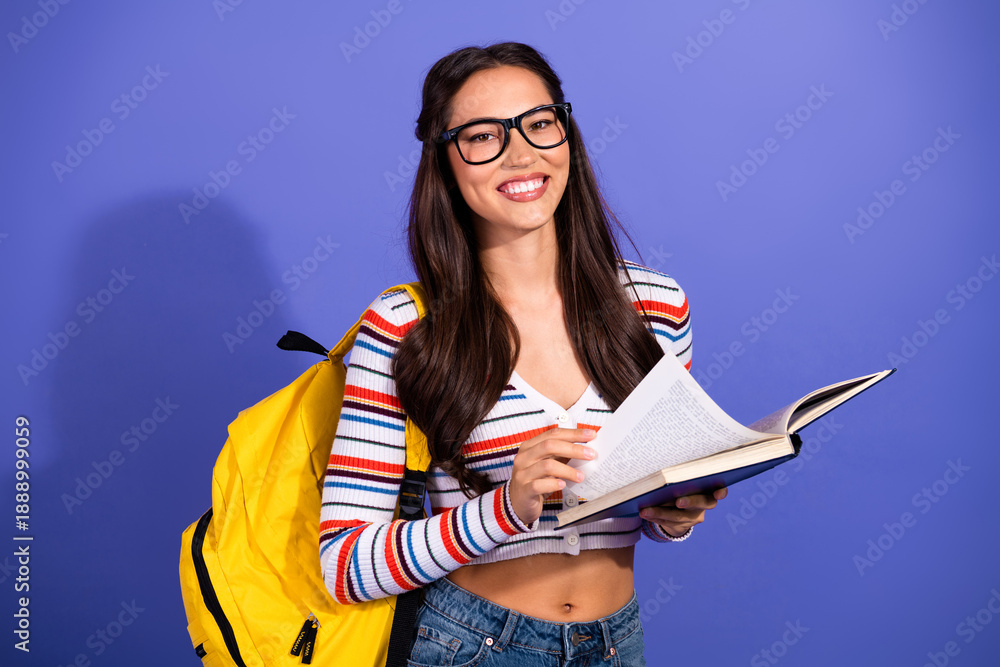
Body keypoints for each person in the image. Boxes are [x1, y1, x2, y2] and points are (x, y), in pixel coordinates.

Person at [319, 42, 727, 666]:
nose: (522, 152)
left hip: (618, 644)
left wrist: (676, 510)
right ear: (445, 161)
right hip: (470, 645)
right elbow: (347, 566)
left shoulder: (657, 308)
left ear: (567, 135)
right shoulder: (406, 327)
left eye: (539, 124)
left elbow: (645, 515)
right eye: (484, 135)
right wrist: (502, 509)